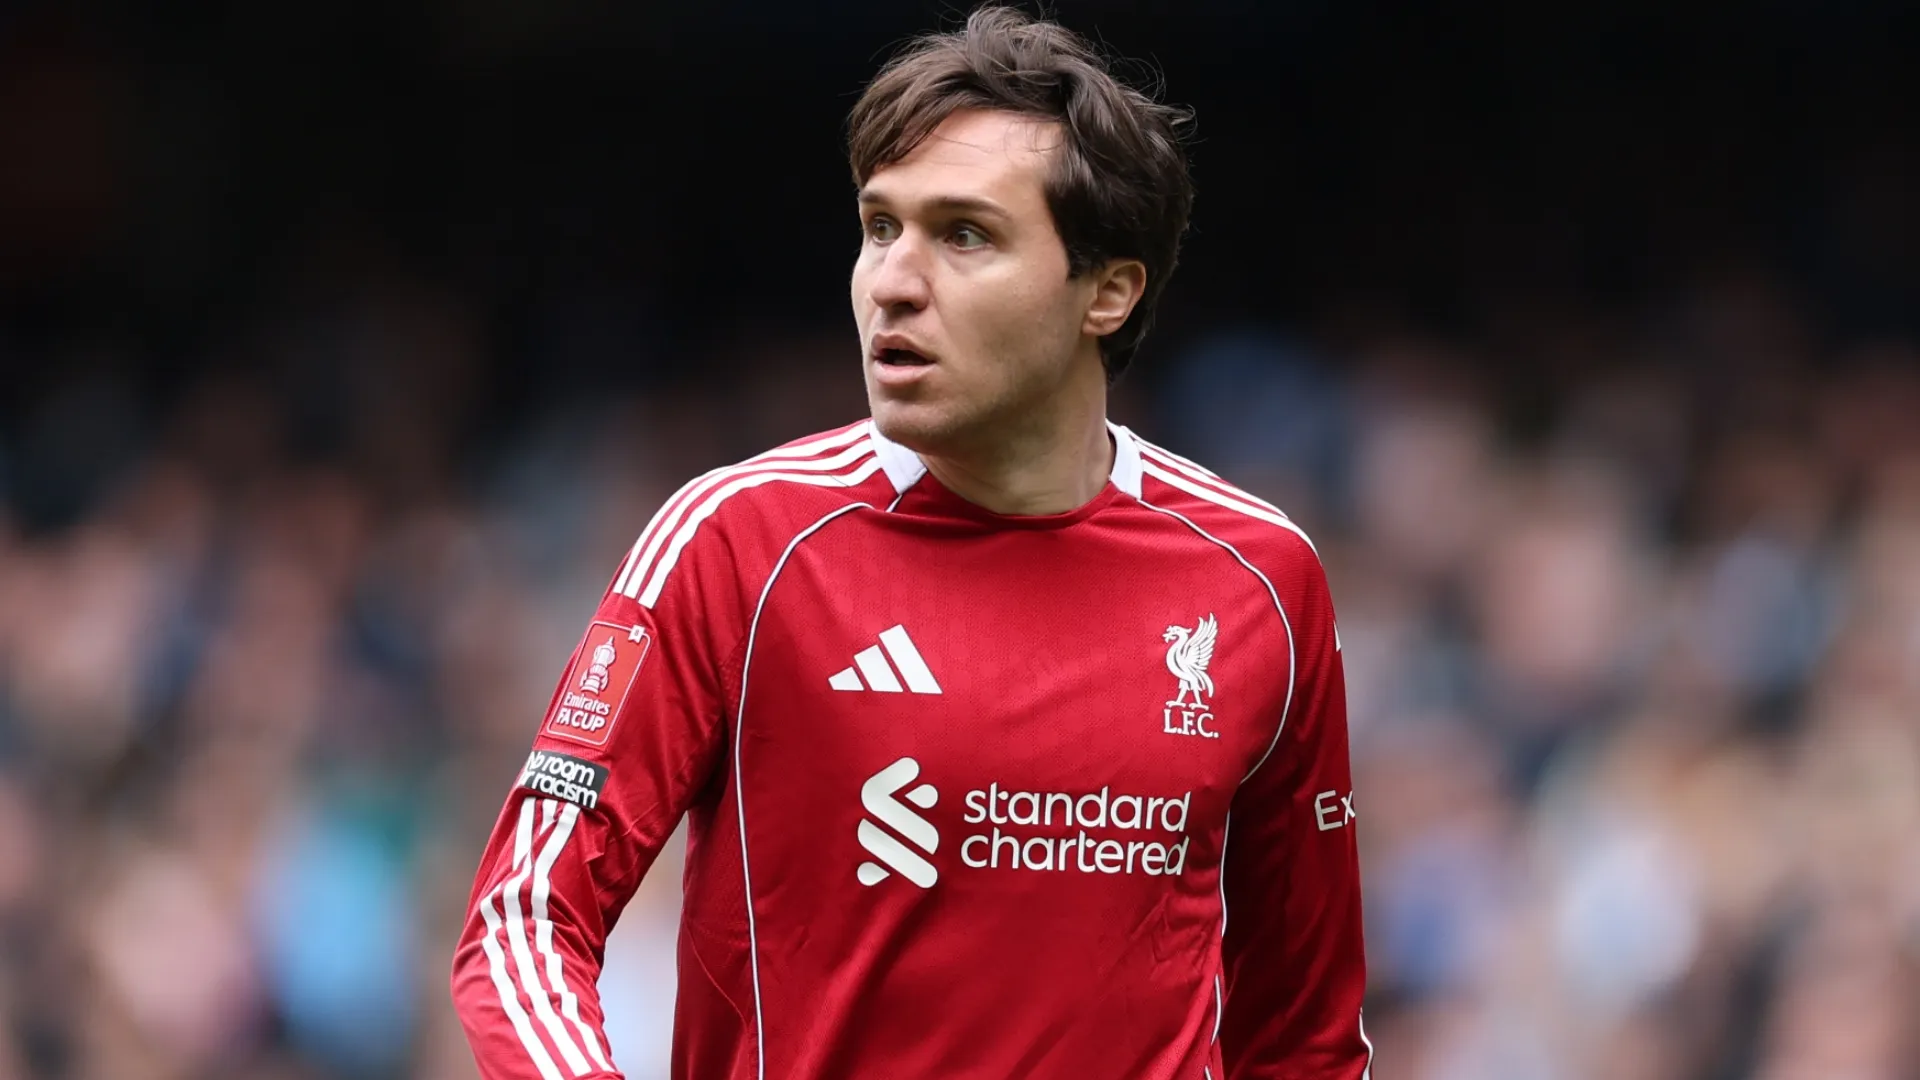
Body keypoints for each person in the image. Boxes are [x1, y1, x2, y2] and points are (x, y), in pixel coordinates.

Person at [450, 7, 1370, 1078]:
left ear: (1108, 291)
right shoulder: (739, 542)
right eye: (881, 226)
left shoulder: (1262, 580)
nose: (892, 279)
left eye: (965, 235)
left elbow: (1305, 1039)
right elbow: (524, 916)